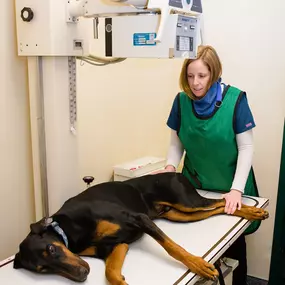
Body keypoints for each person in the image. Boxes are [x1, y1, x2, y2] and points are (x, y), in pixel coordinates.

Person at [161, 45, 260, 285]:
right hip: (196, 184)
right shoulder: (181, 101)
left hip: (230, 184)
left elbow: (246, 147)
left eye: (202, 76)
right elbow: (177, 144)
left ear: (214, 73)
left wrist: (236, 189)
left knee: (233, 242)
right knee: (198, 240)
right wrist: (169, 168)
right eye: (190, 75)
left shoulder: (235, 100)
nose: (195, 83)